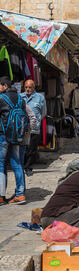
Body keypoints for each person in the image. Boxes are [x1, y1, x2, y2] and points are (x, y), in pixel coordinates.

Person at [0, 77, 28, 205]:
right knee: (17, 163)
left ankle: (1, 196)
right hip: (17, 135)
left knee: (1, 165)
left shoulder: (1, 98)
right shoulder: (21, 99)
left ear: (4, 85)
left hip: (3, 135)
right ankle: (20, 195)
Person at [21, 79, 45, 177]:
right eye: (26, 87)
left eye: (30, 87)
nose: (28, 89)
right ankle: (22, 166)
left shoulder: (40, 97)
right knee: (23, 149)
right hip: (23, 128)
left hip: (34, 128)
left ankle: (28, 167)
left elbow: (43, 112)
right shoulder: (20, 97)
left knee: (32, 149)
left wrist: (37, 121)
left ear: (34, 87)